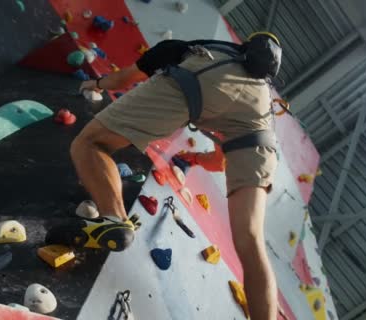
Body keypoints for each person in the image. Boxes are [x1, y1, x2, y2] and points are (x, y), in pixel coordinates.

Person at [53, 32, 281, 319]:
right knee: (250, 240)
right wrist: (196, 159)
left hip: (194, 83)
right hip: (258, 137)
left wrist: (95, 83)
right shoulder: (260, 96)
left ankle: (114, 218)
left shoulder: (191, 49)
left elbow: (123, 79)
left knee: (91, 144)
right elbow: (220, 161)